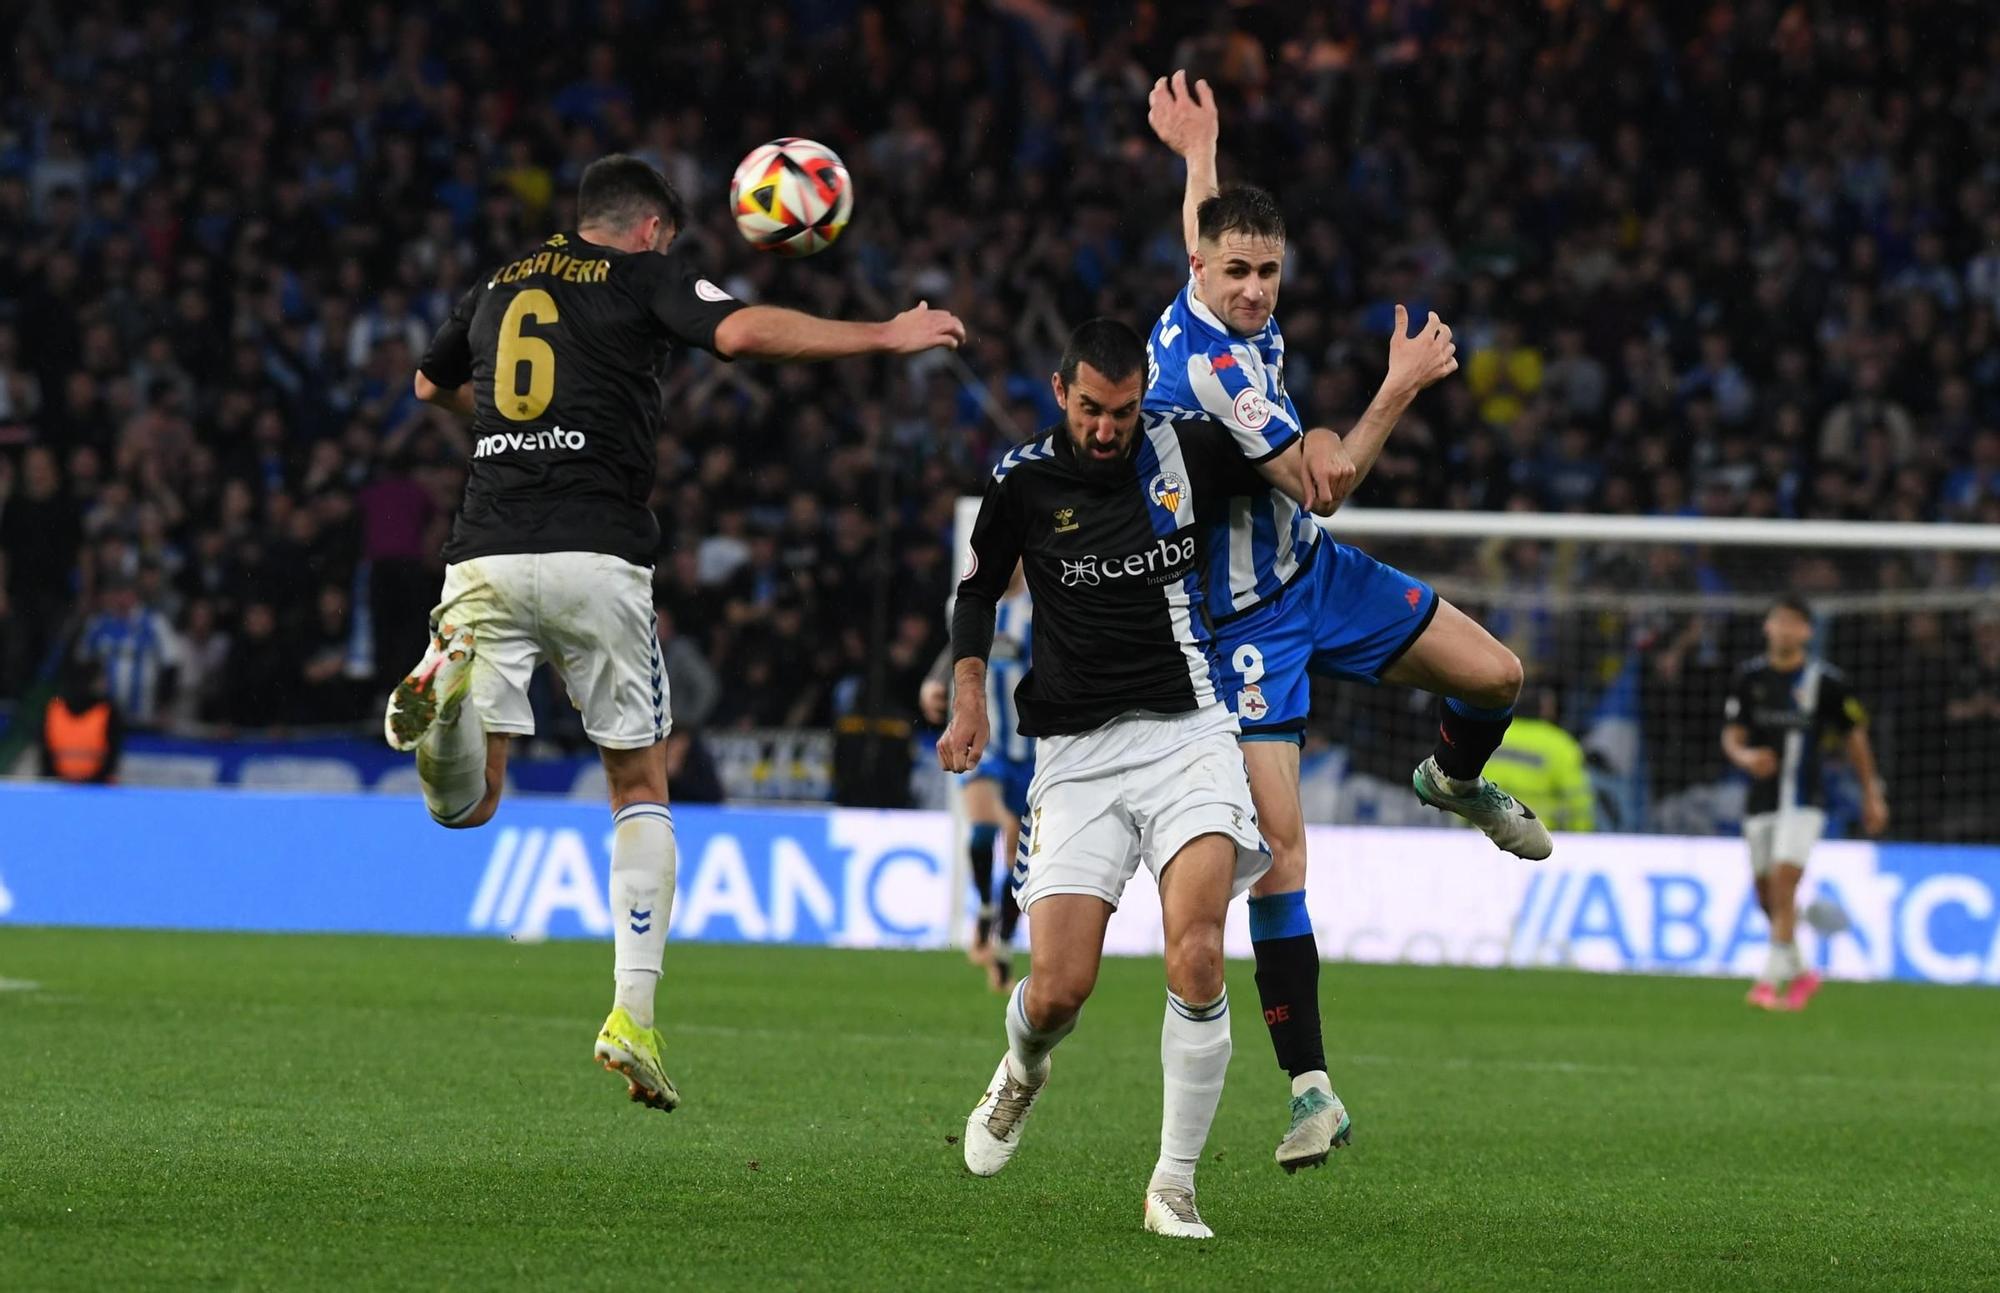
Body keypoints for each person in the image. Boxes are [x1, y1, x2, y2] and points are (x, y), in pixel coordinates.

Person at [386, 154, 964, 1114]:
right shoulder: (644, 276)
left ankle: (442, 696)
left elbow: (425, 386)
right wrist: (883, 334)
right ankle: (631, 1014)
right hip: (598, 558)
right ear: (653, 227)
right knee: (638, 782)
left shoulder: (498, 283)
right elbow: (738, 332)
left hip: (483, 550)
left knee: (470, 804)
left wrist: (509, 426)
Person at [940, 317, 1453, 1239]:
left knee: (1199, 954)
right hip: (1077, 754)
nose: (1107, 430)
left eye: (1124, 412)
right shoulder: (1021, 480)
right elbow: (977, 592)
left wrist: (1388, 396)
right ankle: (1021, 1068)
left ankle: (1173, 1184)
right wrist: (967, 694)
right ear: (1062, 394)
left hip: (1192, 733)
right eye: (1092, 410)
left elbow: (1315, 473)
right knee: (1058, 989)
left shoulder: (1190, 448)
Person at [1145, 71, 1546, 1173]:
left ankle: (1453, 781)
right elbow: (1323, 482)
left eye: (1269, 272)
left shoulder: (1208, 281)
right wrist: (1397, 385)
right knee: (1279, 857)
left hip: (1311, 576)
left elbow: (1207, 230)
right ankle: (1308, 1092)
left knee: (1495, 677)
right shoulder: (1213, 368)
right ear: (1201, 276)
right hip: (1242, 628)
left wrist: (1198, 154)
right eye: (1238, 273)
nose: (1256, 291)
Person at [1722, 595, 1888, 1011]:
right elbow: (1733, 735)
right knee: (1767, 895)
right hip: (1761, 801)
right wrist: (1746, 758)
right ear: (1767, 626)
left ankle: (1766, 982)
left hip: (1805, 800)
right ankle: (1803, 973)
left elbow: (1855, 738)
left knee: (1783, 884)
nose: (1785, 629)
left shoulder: (1826, 681)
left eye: (1795, 623)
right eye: (1779, 621)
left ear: (1807, 632)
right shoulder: (1749, 678)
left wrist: (1871, 793)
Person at [922, 563, 1035, 992]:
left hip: (1032, 747)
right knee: (983, 827)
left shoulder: (1040, 604)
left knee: (1018, 860)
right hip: (984, 743)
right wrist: (932, 684)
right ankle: (985, 908)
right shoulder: (970, 603)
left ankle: (1003, 946)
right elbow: (954, 648)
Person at [1485, 683, 1596, 832]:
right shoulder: (1560, 744)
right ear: (1546, 709)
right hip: (1539, 836)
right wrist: (1580, 836)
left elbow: (1465, 786)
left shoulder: (1491, 735)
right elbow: (1578, 801)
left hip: (1486, 832)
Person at [40, 653, 121, 784]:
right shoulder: (108, 711)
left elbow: (44, 755)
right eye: (103, 678)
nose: (106, 683)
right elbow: (112, 757)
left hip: (60, 786)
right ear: (94, 680)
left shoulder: (54, 708)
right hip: (93, 788)